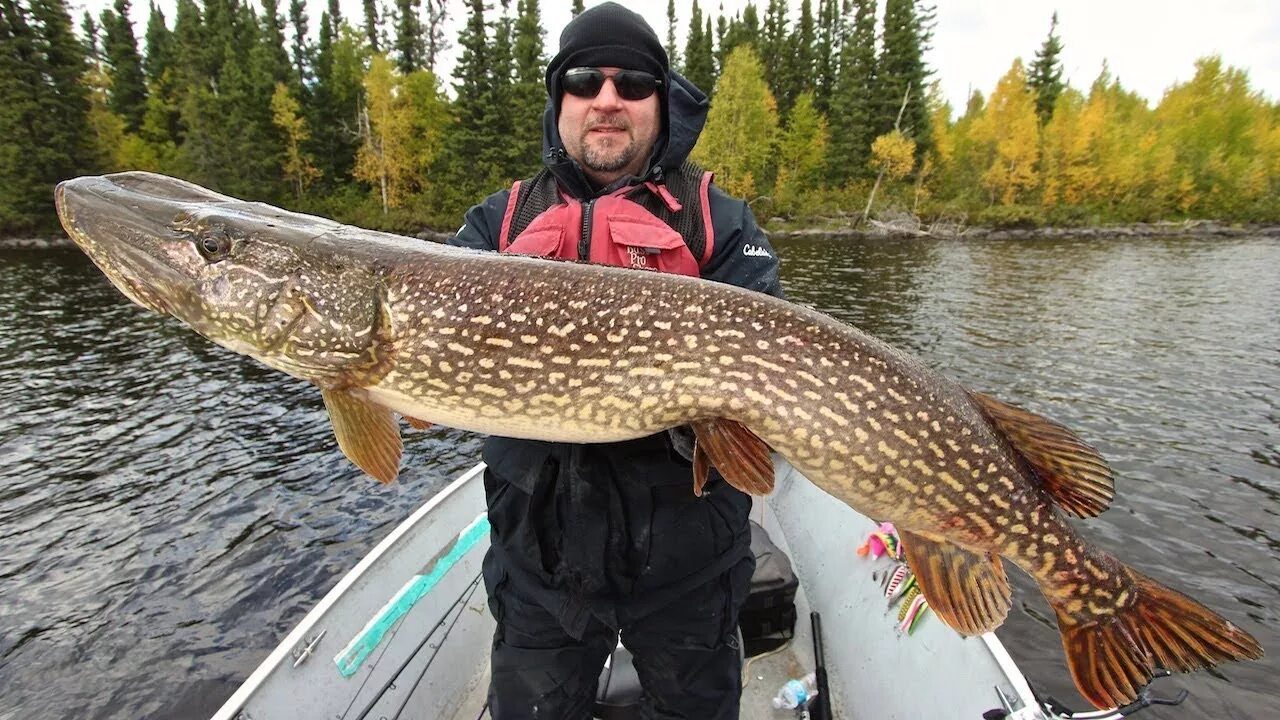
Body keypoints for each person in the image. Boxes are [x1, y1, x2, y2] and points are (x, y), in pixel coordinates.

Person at [447, 3, 784, 718]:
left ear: (661, 102)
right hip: (538, 560)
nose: (607, 98)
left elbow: (761, 404)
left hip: (690, 562)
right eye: (583, 80)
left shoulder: (720, 223)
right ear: (558, 98)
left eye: (633, 83)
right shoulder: (495, 224)